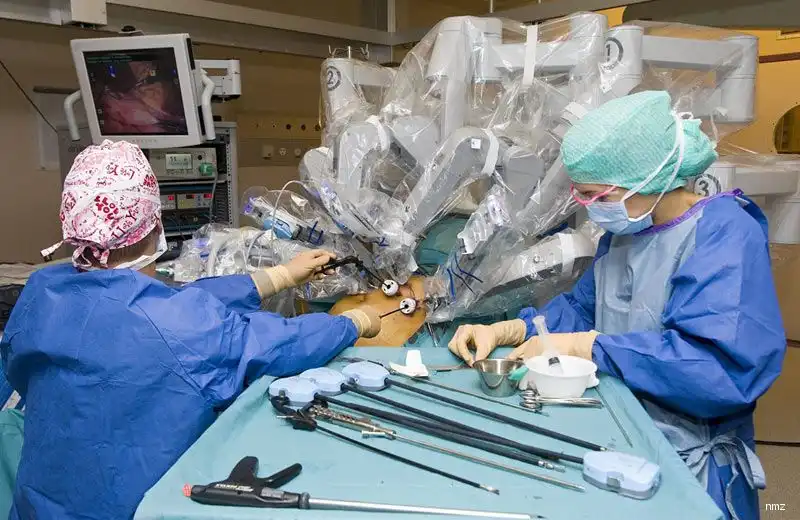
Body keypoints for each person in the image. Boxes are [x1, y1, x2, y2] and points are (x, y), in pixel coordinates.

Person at [0, 140, 382, 520]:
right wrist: (354, 322)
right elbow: (279, 344)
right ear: (154, 226)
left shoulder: (42, 294)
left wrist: (278, 276)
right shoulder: (185, 328)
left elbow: (164, 305)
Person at [448, 91, 785, 520]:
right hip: (621, 428)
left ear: (647, 177)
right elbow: (581, 311)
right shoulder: (624, 234)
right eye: (583, 197)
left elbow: (717, 371)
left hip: (690, 461)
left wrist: (587, 347)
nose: (592, 210)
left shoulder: (725, 234)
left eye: (598, 196)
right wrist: (511, 330)